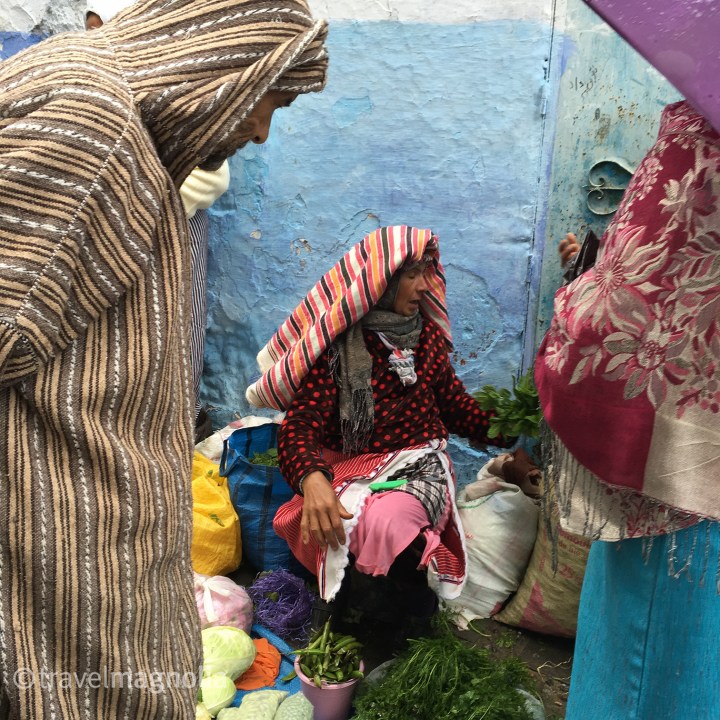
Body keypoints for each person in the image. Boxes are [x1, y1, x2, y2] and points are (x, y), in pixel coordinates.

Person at [0, 1, 328, 717]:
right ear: (218, 57)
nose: (262, 129)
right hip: (62, 536)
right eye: (267, 97)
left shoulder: (130, 132)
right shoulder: (94, 119)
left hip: (110, 527)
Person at [535, 100, 720, 719]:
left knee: (646, 670)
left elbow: (612, 317)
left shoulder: (700, 141)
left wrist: (581, 297)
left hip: (683, 488)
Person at [246, 225, 513, 636]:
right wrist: (311, 479)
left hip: (418, 465)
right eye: (412, 274)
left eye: (428, 273)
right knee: (326, 516)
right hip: (353, 468)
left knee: (390, 520)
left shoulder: (426, 341)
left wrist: (510, 427)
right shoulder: (340, 349)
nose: (425, 286)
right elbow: (299, 425)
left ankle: (410, 629)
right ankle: (351, 610)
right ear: (382, 281)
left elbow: (457, 408)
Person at [86, 0, 230, 443]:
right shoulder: (98, 84)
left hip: (176, 209)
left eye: (101, 32)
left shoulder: (178, 79)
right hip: (115, 212)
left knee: (176, 320)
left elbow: (211, 170)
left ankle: (179, 425)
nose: (95, 44)